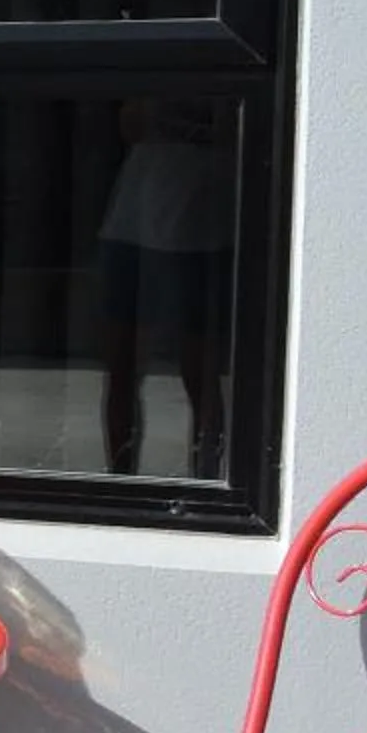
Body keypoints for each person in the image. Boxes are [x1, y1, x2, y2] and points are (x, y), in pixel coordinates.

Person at [95, 98, 230, 478]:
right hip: (132, 223)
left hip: (199, 227)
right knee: (121, 367)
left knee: (200, 372)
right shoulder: (160, 61)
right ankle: (120, 478)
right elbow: (131, 121)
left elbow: (234, 131)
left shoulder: (217, 70)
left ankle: (207, 481)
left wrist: (173, 124)